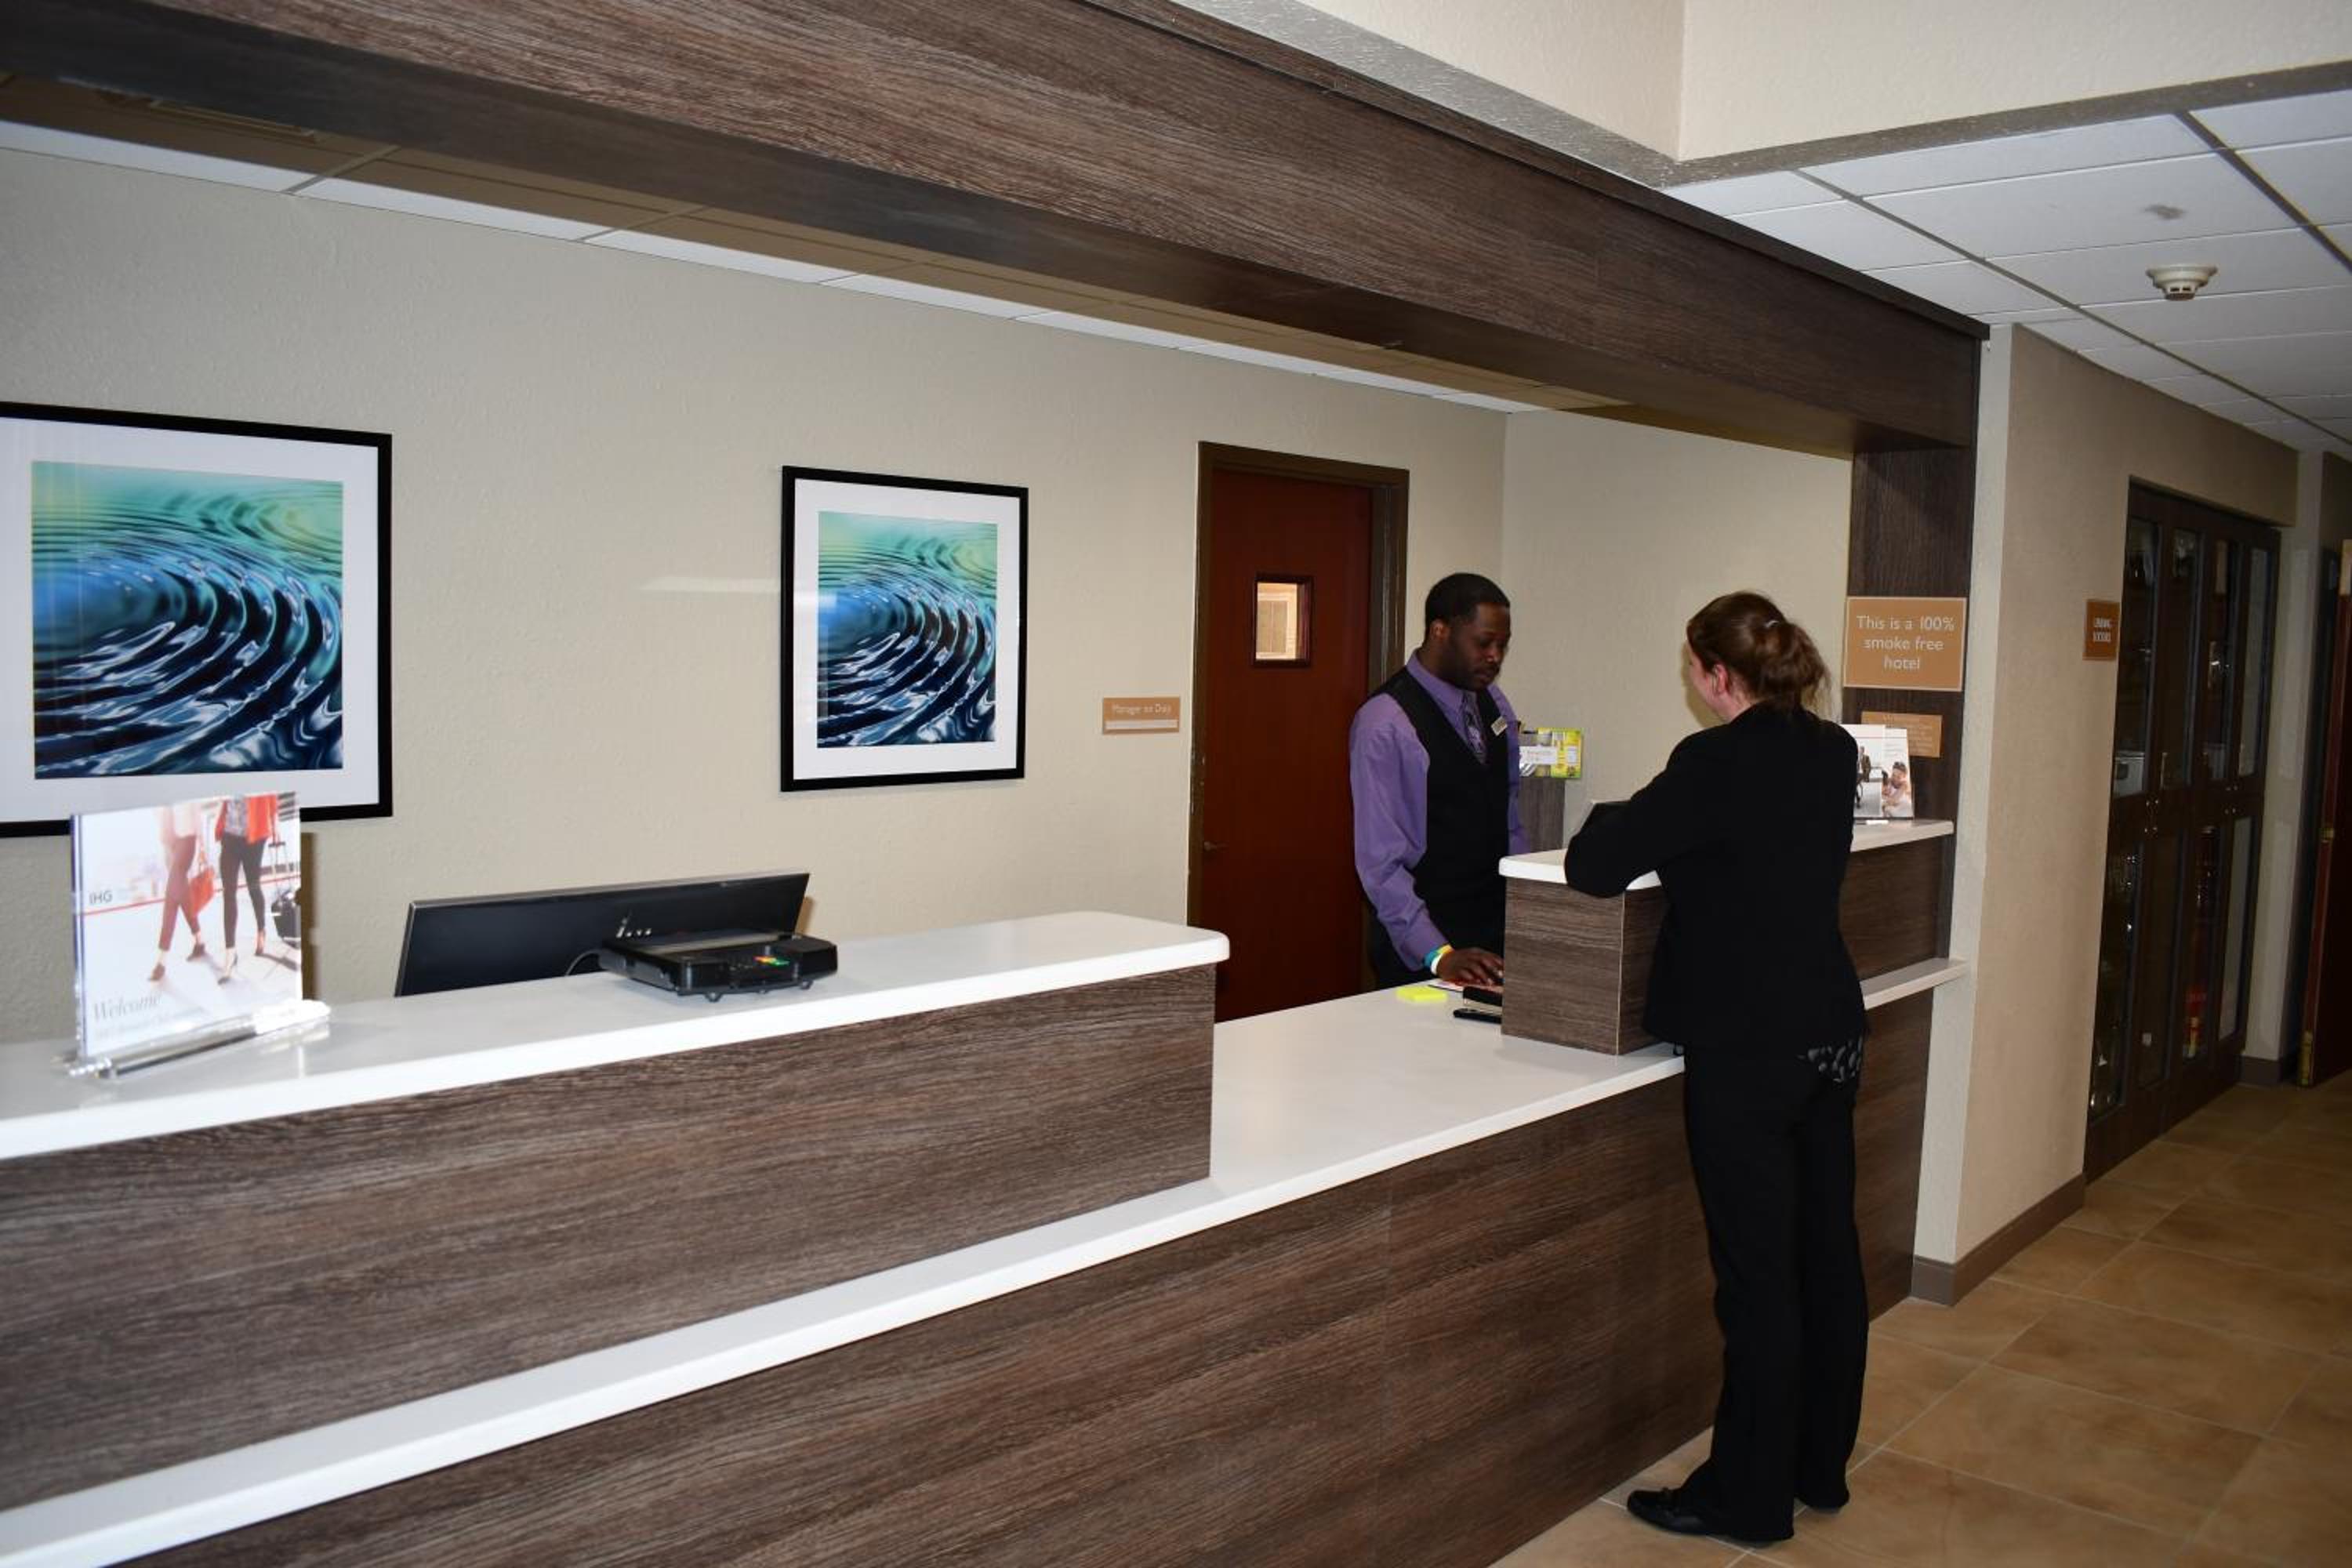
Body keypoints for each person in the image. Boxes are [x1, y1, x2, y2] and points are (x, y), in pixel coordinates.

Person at [1563, 591, 1866, 1548]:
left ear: (1715, 673)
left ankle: (1746, 1496)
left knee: (1757, 1279)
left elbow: (1594, 863)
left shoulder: (1712, 762)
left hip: (1750, 1048)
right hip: (1830, 1033)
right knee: (1827, 1256)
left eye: (1693, 666)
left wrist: (1628, 813)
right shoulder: (1833, 750)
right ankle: (1817, 1465)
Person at [1349, 572, 1526, 989]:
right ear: (1440, 631)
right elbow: (1381, 865)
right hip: (1426, 952)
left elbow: (1509, 816)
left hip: (1494, 938)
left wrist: (1530, 910)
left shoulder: (1494, 704)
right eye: (1483, 643)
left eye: (1503, 645)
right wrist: (1438, 955)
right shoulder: (1387, 723)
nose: (1495, 657)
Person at [213, 791, 281, 980]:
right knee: (228, 893)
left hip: (255, 835)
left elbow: (271, 790)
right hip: (229, 835)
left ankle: (261, 929)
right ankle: (230, 953)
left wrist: (275, 822)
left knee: (254, 887)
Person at [150, 800, 212, 982]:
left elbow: (196, 812)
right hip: (169, 844)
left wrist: (202, 845)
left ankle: (161, 961)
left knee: (171, 897)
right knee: (183, 897)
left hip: (186, 840)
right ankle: (200, 941)